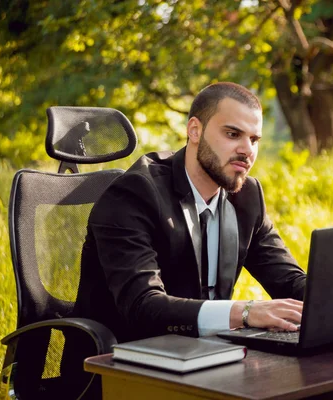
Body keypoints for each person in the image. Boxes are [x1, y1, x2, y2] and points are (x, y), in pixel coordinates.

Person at [74, 82, 307, 343]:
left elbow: (289, 281)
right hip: (122, 365)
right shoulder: (135, 194)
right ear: (195, 130)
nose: (247, 150)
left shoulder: (247, 197)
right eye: (232, 134)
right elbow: (143, 306)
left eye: (254, 140)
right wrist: (245, 312)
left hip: (207, 356)